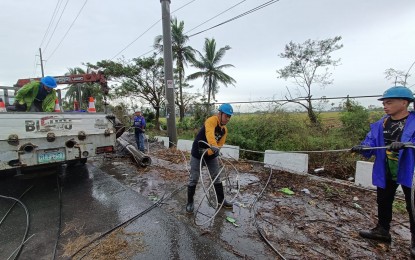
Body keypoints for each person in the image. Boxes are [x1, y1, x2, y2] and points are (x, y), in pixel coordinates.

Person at [351, 86, 415, 256]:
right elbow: (371, 143)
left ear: (404, 102)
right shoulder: (381, 124)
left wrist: (406, 145)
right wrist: (362, 147)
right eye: (384, 103)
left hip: (410, 169)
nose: (385, 106)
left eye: (389, 102)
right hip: (386, 168)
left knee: (413, 205)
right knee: (384, 200)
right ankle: (382, 231)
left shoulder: (414, 122)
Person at [186, 103, 234, 213]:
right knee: (194, 178)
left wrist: (213, 150)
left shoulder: (224, 130)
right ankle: (190, 202)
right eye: (226, 115)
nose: (228, 119)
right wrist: (213, 146)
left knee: (216, 177)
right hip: (198, 153)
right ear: (220, 114)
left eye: (229, 117)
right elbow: (210, 134)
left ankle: (221, 201)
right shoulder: (211, 120)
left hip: (211, 154)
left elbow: (220, 143)